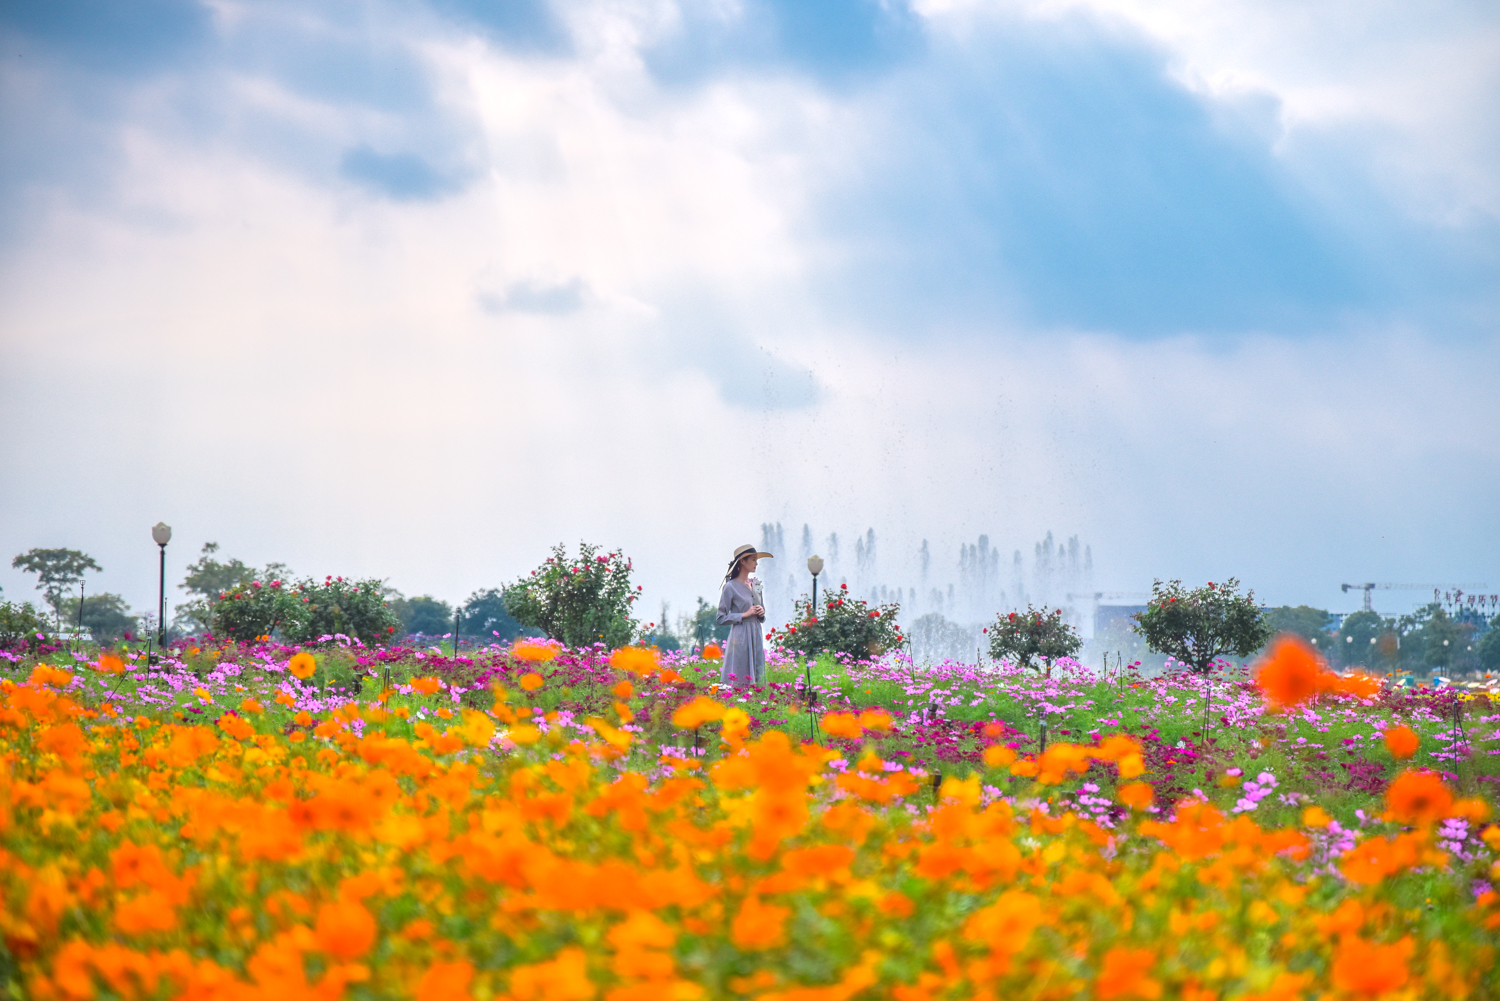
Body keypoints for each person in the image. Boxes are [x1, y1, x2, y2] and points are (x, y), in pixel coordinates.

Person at [717, 544, 773, 686]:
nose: (756, 563)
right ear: (743, 561)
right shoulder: (730, 587)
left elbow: (762, 614)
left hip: (756, 634)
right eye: (753, 559)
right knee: (740, 675)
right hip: (740, 635)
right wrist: (743, 614)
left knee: (758, 671)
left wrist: (761, 612)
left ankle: (757, 702)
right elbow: (721, 618)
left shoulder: (757, 584)